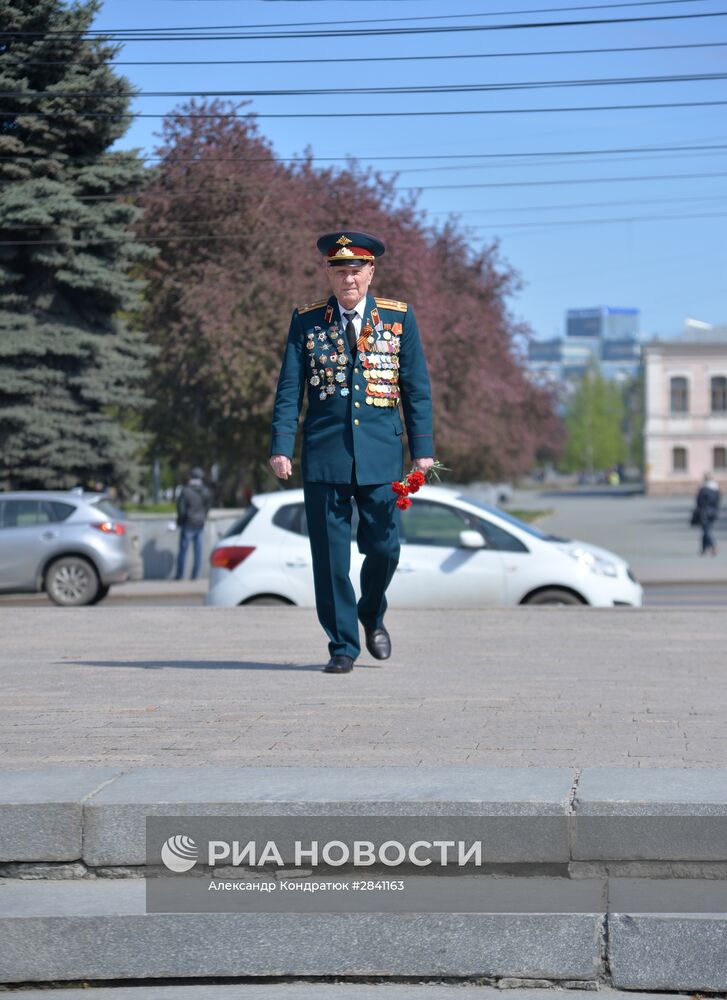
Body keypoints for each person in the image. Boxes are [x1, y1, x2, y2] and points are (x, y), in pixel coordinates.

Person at [269, 230, 434, 674]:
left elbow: (415, 389)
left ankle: (370, 613)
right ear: (328, 274)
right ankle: (343, 645)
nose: (348, 280)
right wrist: (282, 446)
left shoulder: (398, 319)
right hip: (325, 457)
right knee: (330, 559)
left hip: (380, 458)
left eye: (356, 270)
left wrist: (423, 450)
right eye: (339, 271)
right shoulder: (306, 322)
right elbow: (290, 390)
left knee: (384, 549)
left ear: (371, 272)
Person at [175, 467, 212, 580]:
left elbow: (181, 508)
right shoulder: (205, 490)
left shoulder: (185, 490)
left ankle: (180, 575)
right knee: (198, 552)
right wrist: (203, 516)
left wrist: (182, 519)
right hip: (200, 523)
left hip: (188, 523)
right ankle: (195, 576)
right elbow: (207, 507)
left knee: (183, 551)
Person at [694, 472, 720, 557]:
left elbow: (699, 501)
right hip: (714, 512)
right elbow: (718, 501)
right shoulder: (716, 489)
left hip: (704, 512)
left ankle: (713, 545)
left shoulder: (703, 489)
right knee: (706, 530)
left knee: (706, 530)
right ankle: (704, 550)